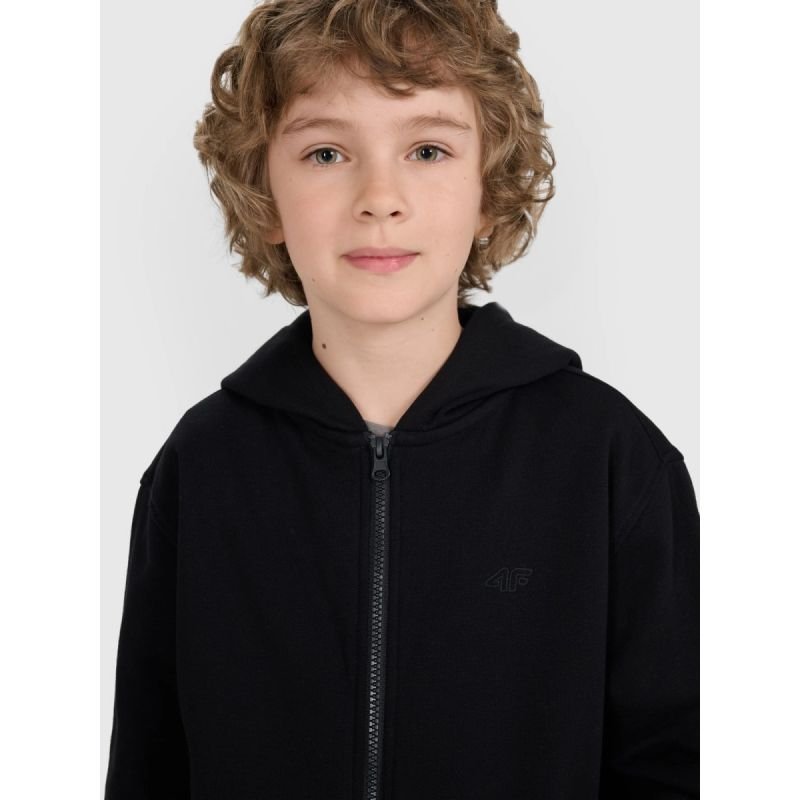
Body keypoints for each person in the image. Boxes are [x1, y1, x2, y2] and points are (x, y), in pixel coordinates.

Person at [104, 1, 700, 797]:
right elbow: (149, 765)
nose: (379, 198)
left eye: (427, 149)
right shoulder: (200, 465)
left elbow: (672, 761)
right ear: (265, 192)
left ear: (489, 190)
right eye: (325, 153)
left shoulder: (610, 459)